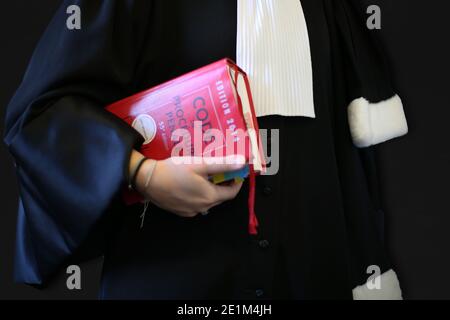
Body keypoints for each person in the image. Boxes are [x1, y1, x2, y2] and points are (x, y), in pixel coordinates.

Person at [4, 0, 408, 299]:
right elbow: (40, 116)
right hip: (176, 275)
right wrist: (143, 173)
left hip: (313, 274)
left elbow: (347, 159)